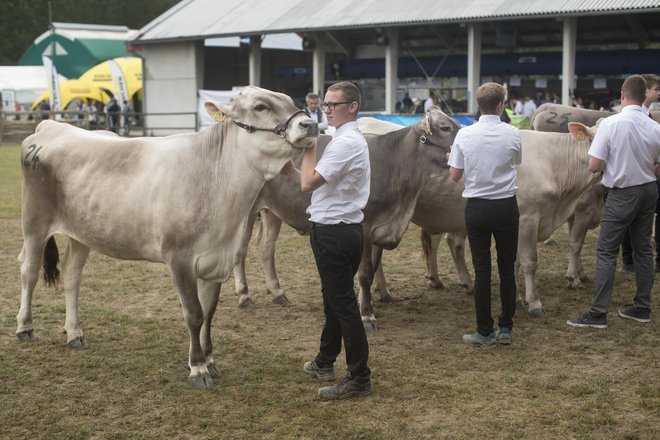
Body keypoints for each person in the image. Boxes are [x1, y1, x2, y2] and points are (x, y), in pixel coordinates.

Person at [281, 81, 372, 400]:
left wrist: (309, 145)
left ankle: (360, 377)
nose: (327, 110)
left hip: (334, 231)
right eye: (325, 105)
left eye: (334, 105)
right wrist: (288, 166)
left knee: (344, 304)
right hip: (340, 229)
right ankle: (325, 359)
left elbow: (307, 184)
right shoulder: (343, 140)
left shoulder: (345, 143)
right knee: (335, 298)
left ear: (353, 107)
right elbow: (312, 181)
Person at [567, 75, 660, 329]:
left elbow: (594, 165)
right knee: (643, 250)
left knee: (607, 252)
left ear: (622, 95)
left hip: (621, 193)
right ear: (644, 97)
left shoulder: (610, 124)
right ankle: (642, 307)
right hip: (649, 190)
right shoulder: (655, 127)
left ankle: (598, 313)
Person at [448, 82, 522, 346]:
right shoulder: (513, 133)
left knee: (482, 269)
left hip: (477, 207)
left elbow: (455, 176)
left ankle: (484, 330)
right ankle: (506, 328)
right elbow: (515, 162)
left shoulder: (464, 135)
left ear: (478, 106)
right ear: (501, 105)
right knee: (507, 267)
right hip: (506, 206)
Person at [619, 73, 660, 274]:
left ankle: (632, 261)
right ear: (645, 93)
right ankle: (629, 260)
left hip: (631, 181)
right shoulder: (646, 121)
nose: (658, 93)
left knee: (635, 225)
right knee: (633, 226)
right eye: (656, 89)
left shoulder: (646, 117)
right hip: (640, 180)